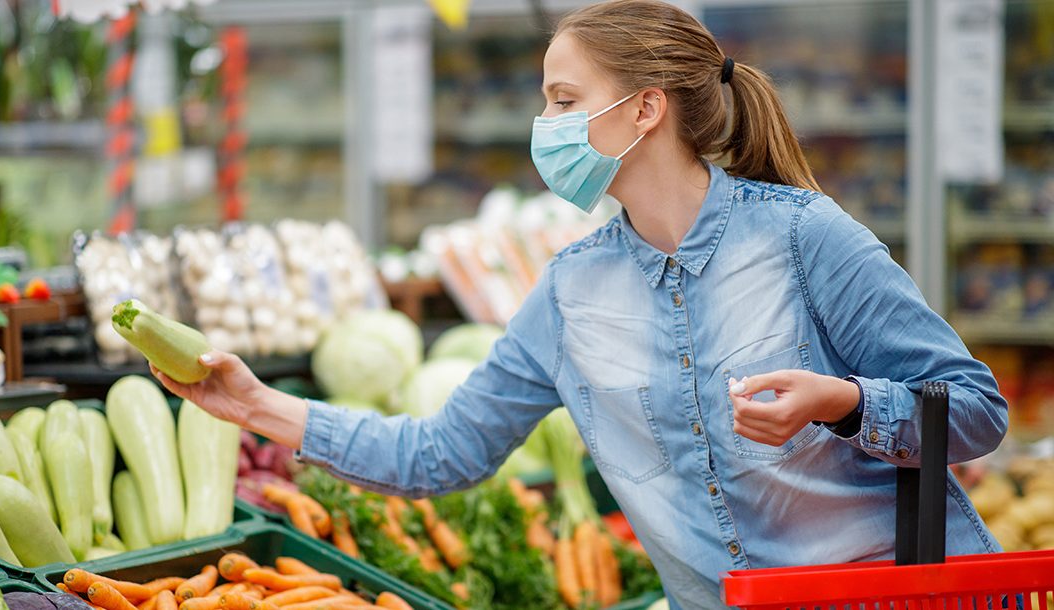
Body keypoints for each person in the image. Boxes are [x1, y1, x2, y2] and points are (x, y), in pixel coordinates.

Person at [152, 1, 1008, 608]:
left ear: (644, 109)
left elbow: (976, 412)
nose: (545, 124)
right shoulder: (571, 291)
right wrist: (254, 403)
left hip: (890, 597)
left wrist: (849, 403)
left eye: (564, 101)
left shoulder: (803, 237)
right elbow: (440, 454)